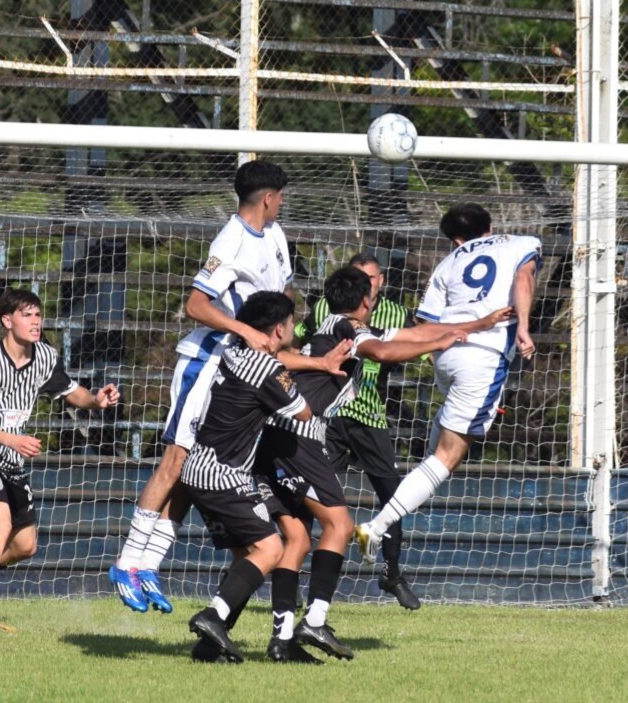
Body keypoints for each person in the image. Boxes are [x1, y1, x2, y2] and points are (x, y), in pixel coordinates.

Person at [110, 160, 349, 614]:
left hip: (242, 367)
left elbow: (275, 322)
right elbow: (197, 305)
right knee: (177, 457)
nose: (283, 203)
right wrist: (244, 329)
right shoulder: (232, 240)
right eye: (281, 196)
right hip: (207, 361)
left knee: (188, 466)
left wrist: (316, 359)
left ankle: (150, 564)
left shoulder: (276, 238)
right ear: (268, 198)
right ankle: (127, 563)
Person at [260, 266, 511, 662]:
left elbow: (411, 334)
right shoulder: (349, 328)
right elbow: (384, 350)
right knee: (339, 526)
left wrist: (478, 324)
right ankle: (315, 618)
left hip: (282, 432)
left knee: (295, 540)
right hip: (301, 437)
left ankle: (272, 634)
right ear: (367, 302)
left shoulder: (333, 322)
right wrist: (441, 345)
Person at [355, 202, 539, 564]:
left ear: (456, 240)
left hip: (446, 352)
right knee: (447, 458)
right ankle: (375, 528)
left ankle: (393, 515)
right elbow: (524, 279)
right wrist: (524, 327)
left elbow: (425, 324)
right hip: (483, 356)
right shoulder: (521, 242)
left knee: (435, 454)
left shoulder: (448, 262)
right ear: (491, 224)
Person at [0, 288, 120, 632]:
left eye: (38, 315)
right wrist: (11, 439)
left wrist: (96, 400)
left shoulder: (45, 357)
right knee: (0, 525)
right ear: (7, 321)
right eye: (27, 315)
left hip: (10, 459)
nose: (36, 322)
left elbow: (71, 391)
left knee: (25, 545)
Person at [180, 291, 311, 663]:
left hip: (198, 467)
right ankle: (212, 616)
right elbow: (301, 412)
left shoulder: (234, 350)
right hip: (223, 473)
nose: (293, 329)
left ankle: (209, 645)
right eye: (290, 323)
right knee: (272, 550)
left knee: (247, 559)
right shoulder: (267, 369)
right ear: (276, 329)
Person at [300, 253, 424, 609]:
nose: (365, 285)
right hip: (333, 417)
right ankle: (296, 571)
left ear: (380, 282)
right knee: (313, 495)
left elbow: (414, 348)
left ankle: (392, 573)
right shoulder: (327, 311)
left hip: (371, 416)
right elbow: (300, 339)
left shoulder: (396, 314)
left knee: (394, 497)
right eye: (359, 277)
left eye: (371, 278)